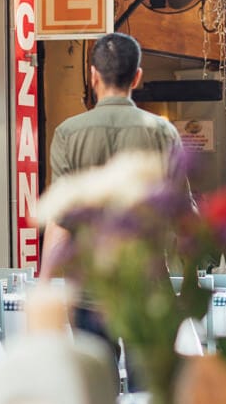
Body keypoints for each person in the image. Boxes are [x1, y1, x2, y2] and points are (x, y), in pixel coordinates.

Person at [41, 32, 187, 277]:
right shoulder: (163, 132)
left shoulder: (67, 132)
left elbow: (61, 219)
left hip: (87, 285)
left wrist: (44, 283)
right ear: (137, 77)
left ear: (93, 75)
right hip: (146, 283)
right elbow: (181, 212)